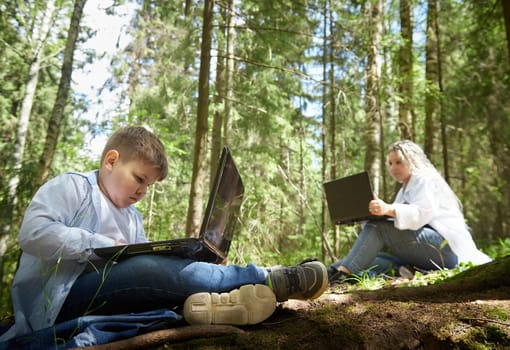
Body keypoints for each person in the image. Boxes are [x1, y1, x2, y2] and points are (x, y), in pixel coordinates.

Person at [0, 125, 328, 341]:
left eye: (149, 186)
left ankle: (209, 306)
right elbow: (32, 233)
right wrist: (102, 245)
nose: (143, 191)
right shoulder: (73, 186)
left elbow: (142, 271)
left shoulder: (132, 217)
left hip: (110, 297)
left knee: (155, 268)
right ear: (111, 161)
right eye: (139, 179)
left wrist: (184, 255)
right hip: (58, 302)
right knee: (146, 269)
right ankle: (267, 279)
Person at [328, 140, 492, 283]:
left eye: (399, 162)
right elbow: (398, 222)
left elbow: (421, 213)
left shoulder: (424, 179)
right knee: (375, 258)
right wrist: (366, 216)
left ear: (412, 160)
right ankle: (331, 272)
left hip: (448, 249)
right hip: (426, 250)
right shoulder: (404, 189)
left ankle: (343, 276)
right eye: (390, 163)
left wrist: (388, 209)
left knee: (378, 228)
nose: (393, 168)